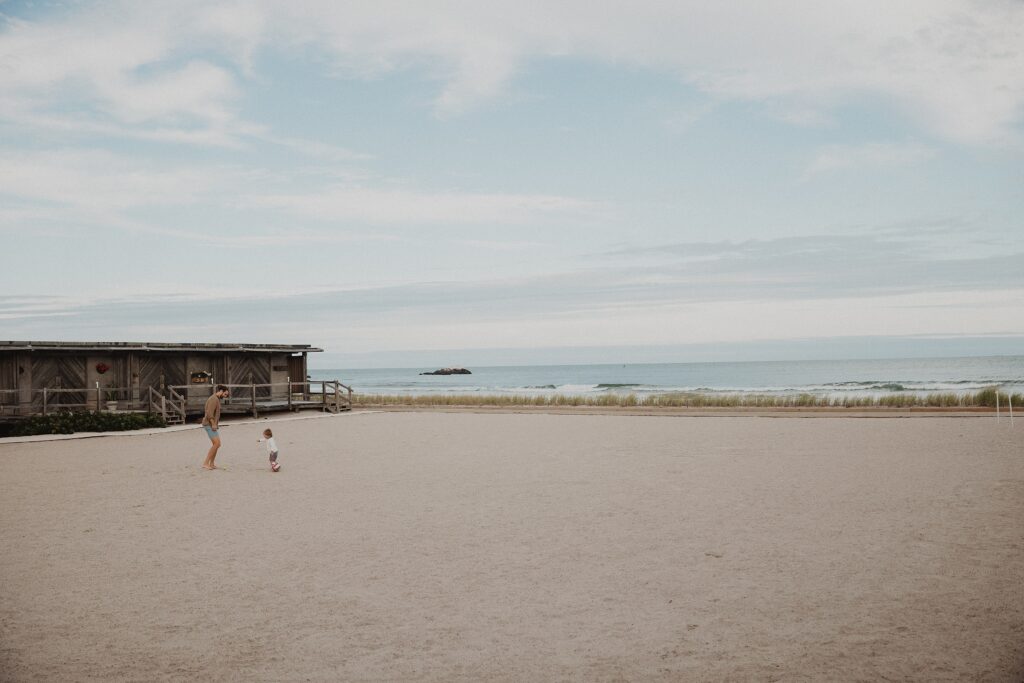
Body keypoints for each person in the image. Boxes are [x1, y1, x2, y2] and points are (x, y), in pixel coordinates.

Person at [201, 384, 229, 470]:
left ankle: (212, 463)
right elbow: (209, 413)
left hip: (211, 424)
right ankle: (205, 463)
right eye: (225, 394)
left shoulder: (216, 399)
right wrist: (213, 424)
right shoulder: (213, 399)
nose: (225, 396)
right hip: (208, 424)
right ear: (221, 391)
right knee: (217, 444)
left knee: (217, 444)